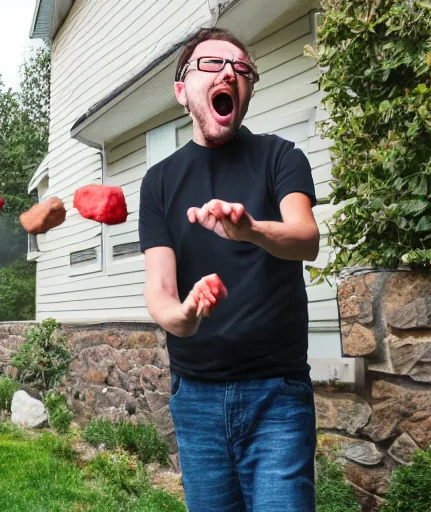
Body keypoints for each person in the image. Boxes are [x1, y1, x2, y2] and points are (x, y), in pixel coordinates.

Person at [139, 27, 320, 512]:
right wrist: (185, 316)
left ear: (247, 91)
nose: (229, 73)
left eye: (241, 68)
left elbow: (307, 239)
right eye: (212, 64)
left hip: (277, 396)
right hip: (195, 398)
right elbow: (159, 289)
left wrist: (252, 230)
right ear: (182, 90)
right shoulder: (158, 182)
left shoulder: (281, 157)